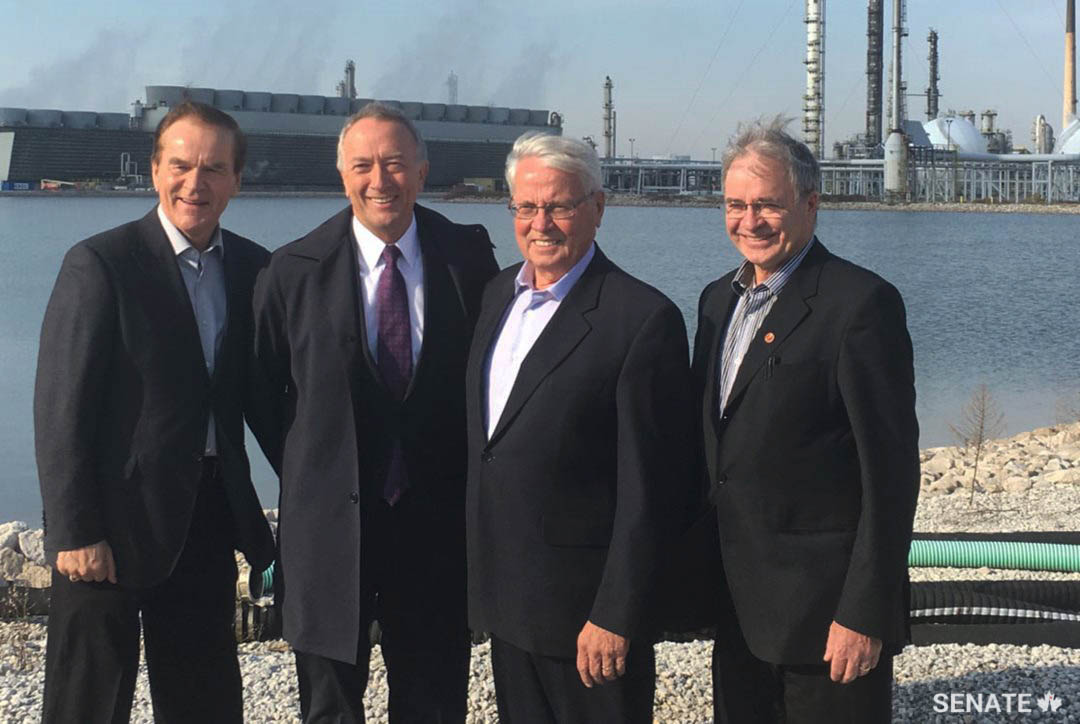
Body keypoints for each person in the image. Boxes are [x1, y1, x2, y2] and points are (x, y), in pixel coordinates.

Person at [253, 102, 499, 723]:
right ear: (342, 174)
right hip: (329, 537)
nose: (379, 179)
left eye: (394, 163)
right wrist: (320, 466)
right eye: (363, 165)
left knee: (435, 703)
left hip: (436, 534)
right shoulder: (292, 271)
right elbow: (260, 393)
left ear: (421, 171)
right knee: (330, 709)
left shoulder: (467, 260)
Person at [34, 101, 275, 723]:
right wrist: (75, 530)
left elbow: (269, 400)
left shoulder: (254, 268)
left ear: (237, 180)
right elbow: (62, 408)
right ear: (154, 171)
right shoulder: (101, 264)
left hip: (207, 518)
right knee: (87, 700)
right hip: (108, 530)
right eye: (181, 165)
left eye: (214, 169)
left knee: (205, 698)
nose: (196, 183)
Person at [693, 117, 919, 723]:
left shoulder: (859, 305)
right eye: (735, 204)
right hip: (738, 603)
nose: (750, 220)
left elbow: (891, 474)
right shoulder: (718, 302)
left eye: (768, 204)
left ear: (811, 205)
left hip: (826, 617)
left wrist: (865, 613)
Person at [465, 132, 694, 723]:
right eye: (526, 207)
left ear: (596, 207)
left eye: (560, 206)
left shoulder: (641, 320)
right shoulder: (496, 297)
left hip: (587, 617)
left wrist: (617, 612)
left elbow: (654, 488)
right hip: (508, 602)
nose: (541, 223)